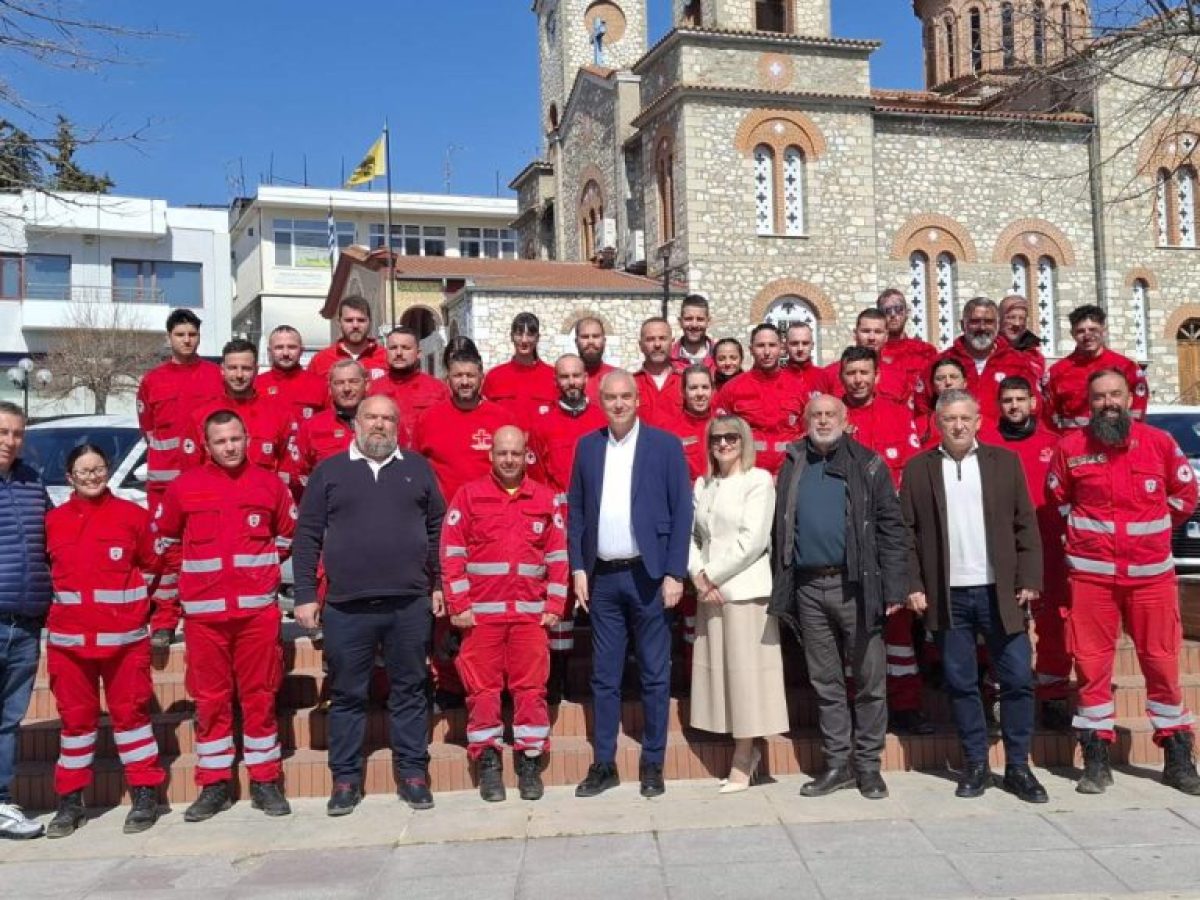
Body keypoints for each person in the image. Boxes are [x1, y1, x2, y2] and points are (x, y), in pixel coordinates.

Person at [1047, 369, 1200, 795]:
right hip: (1092, 578)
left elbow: (1185, 497)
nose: (1108, 403)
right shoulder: (1071, 448)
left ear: (1129, 398)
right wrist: (1088, 539)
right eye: (1099, 397)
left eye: (1115, 394)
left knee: (1162, 665)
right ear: (1089, 403)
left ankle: (1177, 756)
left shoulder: (1159, 443)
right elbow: (1058, 501)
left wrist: (1149, 534)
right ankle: (1096, 759)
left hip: (1151, 579)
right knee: (1091, 666)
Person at [293, 396, 446, 815]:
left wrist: (439, 583)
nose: (379, 425)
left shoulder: (417, 468)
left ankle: (413, 775)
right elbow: (307, 535)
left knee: (410, 690)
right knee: (346, 694)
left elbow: (438, 528)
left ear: (398, 425)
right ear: (356, 423)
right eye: (371, 417)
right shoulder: (329, 471)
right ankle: (345, 780)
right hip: (347, 606)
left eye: (387, 418)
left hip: (409, 603)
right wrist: (304, 594)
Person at [901, 390, 1047, 802]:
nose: (958, 425)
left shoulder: (1005, 462)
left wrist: (1029, 577)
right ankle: (976, 765)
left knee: (1017, 679)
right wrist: (913, 583)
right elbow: (906, 533)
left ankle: (1018, 767)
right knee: (961, 683)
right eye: (949, 418)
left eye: (965, 418)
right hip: (948, 595)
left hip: (1000, 591)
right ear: (937, 423)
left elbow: (1025, 523)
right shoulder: (918, 469)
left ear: (979, 421)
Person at [152, 410, 297, 822]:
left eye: (235, 438)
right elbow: (167, 542)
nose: (229, 447)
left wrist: (259, 572)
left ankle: (265, 781)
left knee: (260, 696)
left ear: (246, 438)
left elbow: (287, 535)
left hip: (256, 615)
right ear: (206, 445)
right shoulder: (184, 487)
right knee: (211, 700)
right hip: (204, 618)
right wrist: (192, 583)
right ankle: (214, 783)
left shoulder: (270, 485)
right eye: (220, 441)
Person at [770, 395, 908, 800]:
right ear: (805, 420)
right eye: (816, 415)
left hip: (857, 587)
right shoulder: (793, 461)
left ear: (845, 420)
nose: (824, 420)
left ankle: (868, 766)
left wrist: (894, 586)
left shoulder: (868, 463)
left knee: (868, 680)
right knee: (825, 681)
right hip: (808, 587)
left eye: (831, 414)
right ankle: (837, 765)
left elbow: (891, 527)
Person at [569, 370, 693, 798]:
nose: (619, 404)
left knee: (655, 675)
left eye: (626, 396)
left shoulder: (665, 445)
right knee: (605, 676)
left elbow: (682, 512)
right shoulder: (588, 447)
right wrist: (578, 568)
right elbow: (577, 511)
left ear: (638, 399)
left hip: (649, 576)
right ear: (600, 401)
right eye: (611, 397)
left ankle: (653, 763)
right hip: (603, 578)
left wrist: (675, 572)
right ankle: (604, 763)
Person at [440, 426, 568, 803]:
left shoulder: (544, 499)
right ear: (491, 455)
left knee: (531, 690)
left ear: (526, 455)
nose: (509, 460)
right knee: (483, 692)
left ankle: (529, 762)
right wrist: (459, 605)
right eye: (502, 453)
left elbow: (557, 556)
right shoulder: (469, 496)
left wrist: (554, 605)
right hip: (481, 617)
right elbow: (452, 553)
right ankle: (488, 762)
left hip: (530, 616)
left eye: (515, 453)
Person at [43, 444, 164, 838]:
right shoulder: (53, 522)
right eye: (83, 471)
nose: (92, 476)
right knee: (75, 724)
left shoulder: (133, 517)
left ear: (107, 471)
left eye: (98, 469)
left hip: (125, 644)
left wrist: (131, 609)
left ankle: (145, 794)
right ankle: (70, 802)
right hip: (69, 645)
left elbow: (153, 567)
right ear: (70, 478)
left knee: (132, 720)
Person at [413, 339, 523, 707]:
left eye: (471, 376)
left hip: (492, 530)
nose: (464, 381)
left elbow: (517, 471)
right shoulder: (429, 420)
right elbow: (416, 472)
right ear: (448, 378)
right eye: (458, 375)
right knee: (448, 608)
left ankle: (498, 685)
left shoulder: (500, 419)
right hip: (443, 529)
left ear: (481, 377)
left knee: (493, 610)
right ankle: (448, 685)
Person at [688, 415, 787, 792]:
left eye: (731, 437)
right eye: (716, 438)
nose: (724, 444)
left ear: (744, 441)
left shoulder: (757, 480)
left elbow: (753, 540)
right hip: (710, 594)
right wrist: (698, 576)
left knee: (746, 678)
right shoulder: (703, 484)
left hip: (745, 592)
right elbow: (692, 537)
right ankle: (738, 745)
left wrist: (711, 575)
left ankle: (745, 757)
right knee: (722, 675)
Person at [980, 376, 1071, 729]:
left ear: (1034, 402)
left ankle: (1053, 695)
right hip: (1000, 546)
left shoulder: (1054, 443)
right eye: (1007, 400)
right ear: (998, 406)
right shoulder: (985, 443)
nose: (1014, 406)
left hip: (1047, 544)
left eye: (1021, 399)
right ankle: (999, 692)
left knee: (1052, 623)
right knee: (1002, 621)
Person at [136, 309, 223, 646]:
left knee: (207, 548)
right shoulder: (152, 381)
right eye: (180, 335)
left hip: (206, 480)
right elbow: (148, 430)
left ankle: (204, 614)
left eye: (192, 334)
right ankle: (164, 620)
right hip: (164, 483)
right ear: (169, 337)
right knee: (165, 553)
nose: (187, 340)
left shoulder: (215, 376)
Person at [527, 354, 607, 702]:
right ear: (555, 381)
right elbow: (536, 477)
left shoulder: (602, 418)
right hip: (557, 524)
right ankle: (557, 680)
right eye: (564, 377)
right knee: (559, 600)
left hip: (598, 522)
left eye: (576, 376)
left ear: (586, 378)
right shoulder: (542, 423)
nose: (571, 382)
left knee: (601, 597)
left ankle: (603, 679)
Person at [0, 401, 51, 839]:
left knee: (8, 720)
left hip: (25, 623)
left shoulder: (32, 481)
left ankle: (0, 803)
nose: (10, 441)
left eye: (17, 433)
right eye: (2, 432)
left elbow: (53, 537)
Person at [179, 338, 292, 478]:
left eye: (246, 368)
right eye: (232, 368)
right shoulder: (200, 417)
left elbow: (286, 472)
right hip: (215, 491)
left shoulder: (279, 415)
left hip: (261, 491)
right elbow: (190, 475)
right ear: (222, 370)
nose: (239, 375)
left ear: (256, 370)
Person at [937, 297, 1041, 427]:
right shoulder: (941, 363)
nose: (982, 327)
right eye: (975, 321)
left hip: (1004, 438)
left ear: (997, 325)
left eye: (988, 322)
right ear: (963, 325)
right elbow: (924, 409)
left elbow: (1035, 409)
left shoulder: (1019, 364)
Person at [1045, 304, 1149, 432]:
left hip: (1115, 440)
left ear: (1104, 330)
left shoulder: (1126, 367)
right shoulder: (1057, 372)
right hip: (1072, 442)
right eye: (1081, 331)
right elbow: (1048, 418)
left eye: (1093, 329)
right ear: (1072, 334)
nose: (1087, 335)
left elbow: (1137, 413)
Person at [713, 324, 799, 476]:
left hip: (789, 472)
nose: (766, 352)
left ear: (782, 348)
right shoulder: (732, 389)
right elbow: (720, 435)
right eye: (760, 346)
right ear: (751, 349)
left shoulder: (798, 387)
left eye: (772, 345)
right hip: (748, 474)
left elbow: (806, 433)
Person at [293, 360, 368, 497]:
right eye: (339, 383)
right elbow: (299, 474)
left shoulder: (384, 421)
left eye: (353, 381)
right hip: (329, 505)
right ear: (329, 388)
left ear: (367, 384)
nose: (347, 388)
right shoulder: (312, 427)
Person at [366, 326, 450, 448]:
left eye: (406, 348)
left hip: (424, 456)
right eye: (393, 348)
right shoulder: (373, 390)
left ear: (418, 353)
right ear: (386, 352)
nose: (399, 353)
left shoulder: (438, 389)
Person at [833, 309, 916, 408]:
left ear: (886, 336)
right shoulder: (830, 374)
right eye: (866, 331)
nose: (871, 338)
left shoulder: (899, 376)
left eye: (878, 332)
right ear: (855, 334)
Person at [481, 312, 557, 421]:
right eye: (519, 334)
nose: (524, 340)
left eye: (530, 335)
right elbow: (484, 414)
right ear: (511, 337)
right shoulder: (494, 377)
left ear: (537, 338)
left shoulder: (553, 376)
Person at [255, 325, 328, 434]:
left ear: (301, 350)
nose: (285, 353)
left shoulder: (320, 384)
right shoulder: (256, 385)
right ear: (269, 351)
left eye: (292, 347)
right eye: (279, 347)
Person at [308, 295, 388, 382]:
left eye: (361, 320)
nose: (355, 325)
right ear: (339, 323)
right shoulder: (320, 360)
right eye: (349, 320)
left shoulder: (387, 357)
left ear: (370, 322)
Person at [878, 288, 938, 403]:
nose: (893, 315)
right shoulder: (875, 353)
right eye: (887, 311)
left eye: (898, 309)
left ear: (907, 312)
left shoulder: (926, 351)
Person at [632, 318, 682, 429]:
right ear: (640, 345)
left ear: (672, 343)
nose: (657, 344)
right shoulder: (630, 384)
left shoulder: (686, 382)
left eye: (662, 338)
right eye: (650, 339)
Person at [997, 295, 1048, 390]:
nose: (1017, 323)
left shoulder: (1036, 356)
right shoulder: (989, 352)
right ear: (999, 319)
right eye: (1011, 317)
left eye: (1022, 318)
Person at [916, 357, 969, 449]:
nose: (948, 382)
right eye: (940, 378)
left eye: (953, 377)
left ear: (965, 383)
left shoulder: (981, 422)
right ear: (933, 386)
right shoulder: (920, 425)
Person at [781, 322, 834, 406]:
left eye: (805, 343)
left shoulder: (825, 377)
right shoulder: (777, 378)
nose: (800, 349)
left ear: (812, 345)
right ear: (785, 346)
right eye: (794, 344)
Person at [575, 316, 616, 404]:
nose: (591, 342)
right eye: (585, 337)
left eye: (596, 336)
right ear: (576, 341)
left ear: (604, 341)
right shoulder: (565, 378)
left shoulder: (617, 377)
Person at [670, 294, 716, 372]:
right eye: (688, 319)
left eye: (700, 319)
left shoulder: (720, 356)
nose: (694, 325)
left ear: (708, 322)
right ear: (680, 322)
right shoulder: (668, 359)